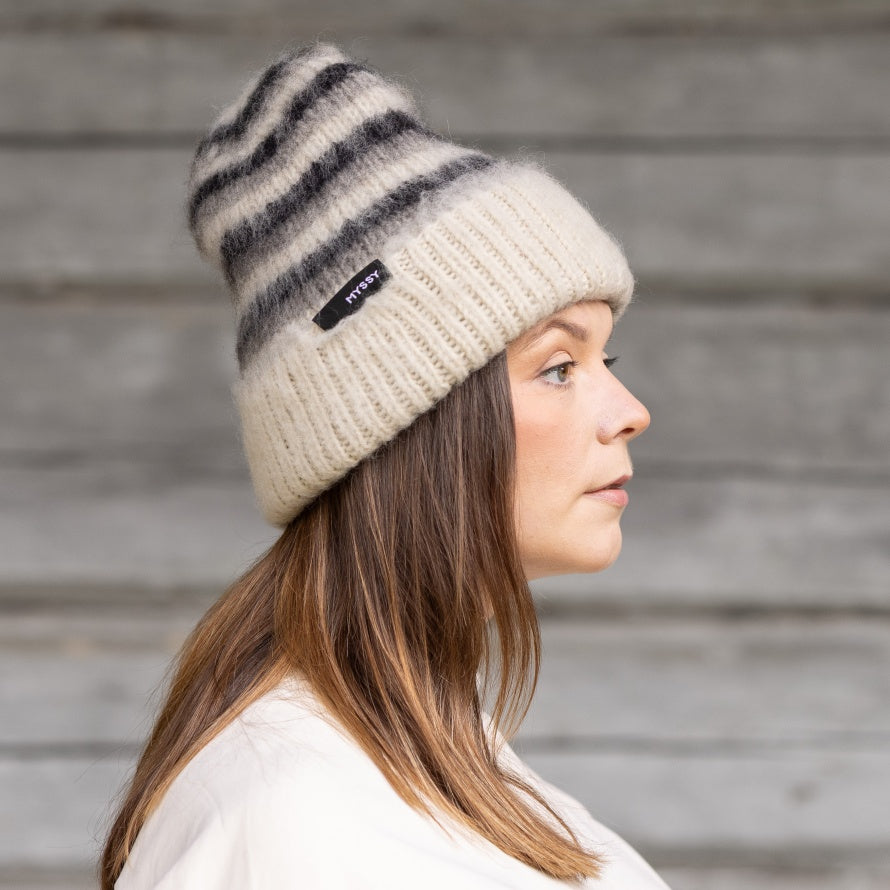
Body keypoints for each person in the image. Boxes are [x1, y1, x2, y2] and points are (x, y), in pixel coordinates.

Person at [100, 40, 664, 889]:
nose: (630, 412)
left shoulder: (426, 762)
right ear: (410, 426)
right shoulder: (296, 824)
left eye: (605, 361)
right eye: (559, 367)